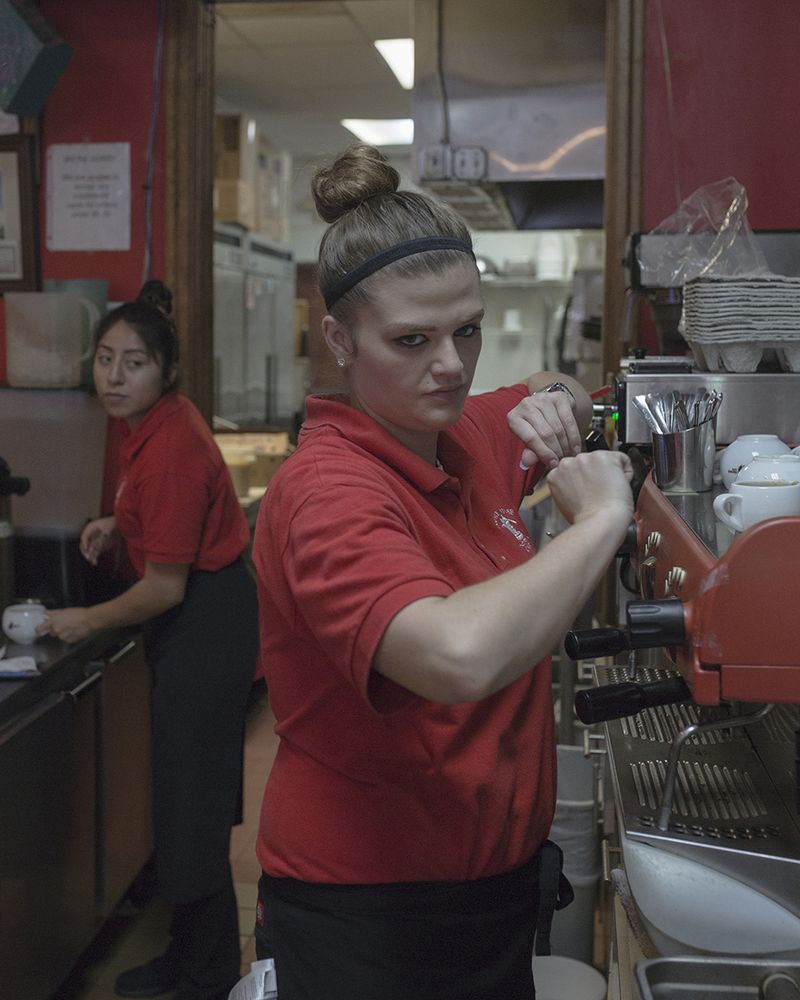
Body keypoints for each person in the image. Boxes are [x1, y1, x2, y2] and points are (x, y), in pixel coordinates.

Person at [250, 144, 634, 1000]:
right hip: (372, 915)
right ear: (340, 340)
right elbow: (453, 656)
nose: (453, 365)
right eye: (412, 340)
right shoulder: (326, 492)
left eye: (468, 330)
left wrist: (562, 403)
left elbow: (557, 382)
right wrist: (600, 518)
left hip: (486, 890)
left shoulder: (465, 433)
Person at [38, 280, 258, 1000]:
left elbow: (164, 586)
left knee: (190, 813)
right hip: (205, 617)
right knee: (185, 805)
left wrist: (83, 621)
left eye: (133, 362)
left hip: (204, 624)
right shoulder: (158, 425)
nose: (113, 376)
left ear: (164, 370)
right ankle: (189, 957)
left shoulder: (168, 450)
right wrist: (118, 525)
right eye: (104, 359)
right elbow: (159, 522)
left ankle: (202, 978)